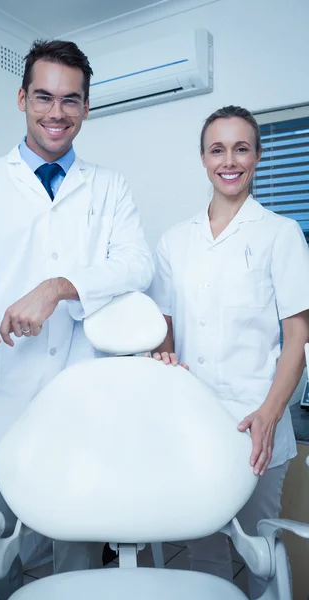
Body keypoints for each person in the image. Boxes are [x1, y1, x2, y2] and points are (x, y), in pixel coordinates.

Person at [0, 39, 154, 599]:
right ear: (22, 97)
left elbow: (137, 265)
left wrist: (60, 287)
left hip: (77, 402)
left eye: (71, 100)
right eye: (44, 97)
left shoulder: (109, 186)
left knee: (76, 558)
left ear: (87, 107)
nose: (57, 112)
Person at [148, 105, 309, 599]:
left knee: (261, 551)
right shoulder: (175, 241)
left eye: (242, 148)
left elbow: (297, 336)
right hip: (195, 421)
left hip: (258, 421)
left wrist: (269, 412)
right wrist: (164, 357)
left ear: (258, 156)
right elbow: (164, 327)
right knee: (203, 550)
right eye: (217, 149)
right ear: (203, 159)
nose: (229, 160)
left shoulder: (280, 234)